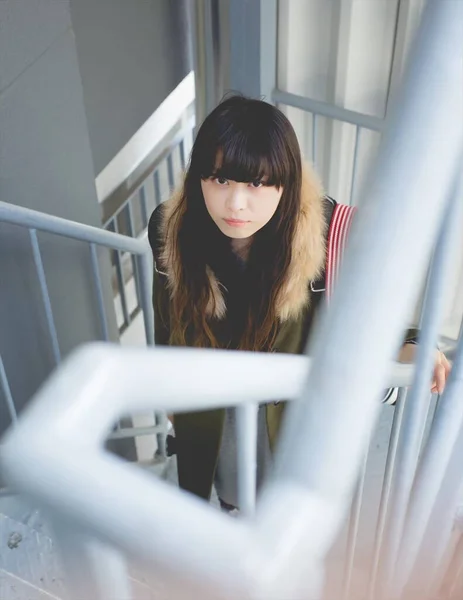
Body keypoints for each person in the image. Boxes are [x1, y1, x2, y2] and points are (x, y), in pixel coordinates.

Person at [148, 95, 451, 512]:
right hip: (215, 401)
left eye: (255, 184)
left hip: (287, 406)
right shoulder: (174, 229)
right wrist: (166, 390)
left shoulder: (326, 239)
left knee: (283, 496)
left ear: (285, 183)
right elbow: (167, 318)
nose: (236, 203)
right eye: (219, 180)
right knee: (227, 480)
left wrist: (412, 345)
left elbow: (362, 320)